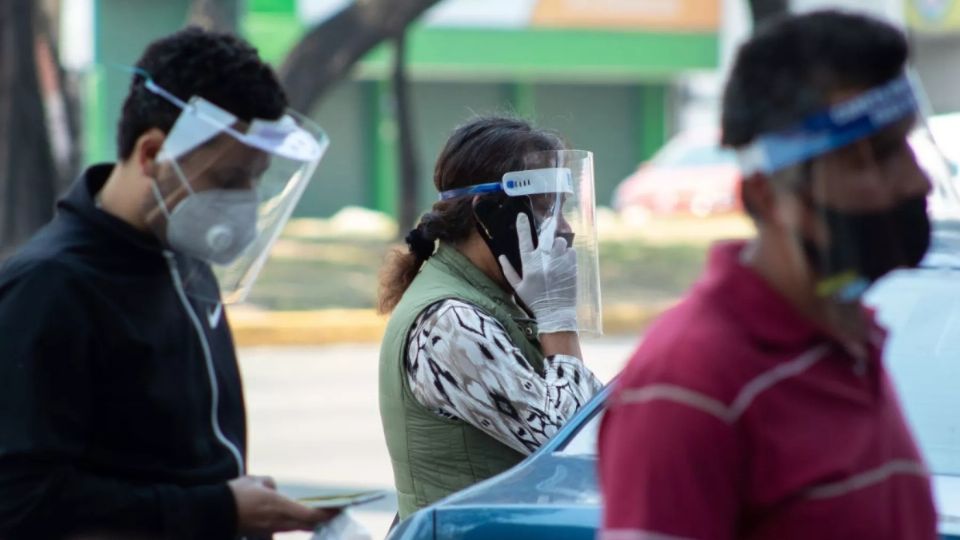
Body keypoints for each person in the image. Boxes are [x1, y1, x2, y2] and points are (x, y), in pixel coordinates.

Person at [599, 11, 939, 540]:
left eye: (907, 147)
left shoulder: (852, 341)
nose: (917, 182)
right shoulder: (690, 382)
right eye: (874, 157)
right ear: (765, 194)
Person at [0, 28, 333, 539]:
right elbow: (21, 501)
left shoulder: (186, 263)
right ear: (153, 152)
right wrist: (217, 509)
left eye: (256, 177)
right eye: (227, 179)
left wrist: (241, 505)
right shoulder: (50, 288)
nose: (244, 200)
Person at [378, 116, 603, 520]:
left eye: (562, 209)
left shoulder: (493, 296)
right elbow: (569, 444)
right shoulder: (451, 323)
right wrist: (557, 321)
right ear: (489, 215)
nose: (565, 229)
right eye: (544, 209)